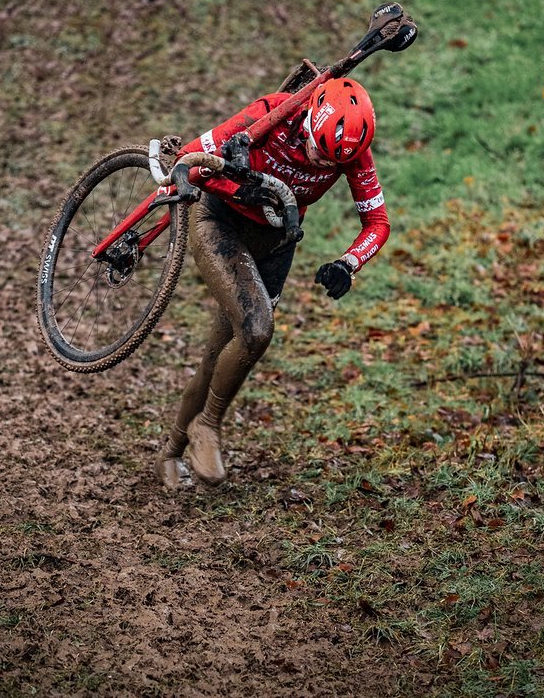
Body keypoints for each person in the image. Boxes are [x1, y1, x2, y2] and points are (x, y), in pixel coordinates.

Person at [155, 77, 391, 488]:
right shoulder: (273, 113)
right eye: (319, 150)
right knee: (258, 328)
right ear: (310, 119)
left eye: (333, 164)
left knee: (226, 352)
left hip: (276, 240)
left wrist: (348, 263)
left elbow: (377, 222)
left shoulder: (351, 153)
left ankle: (172, 452)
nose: (322, 165)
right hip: (220, 220)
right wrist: (232, 175)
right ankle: (207, 427)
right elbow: (193, 154)